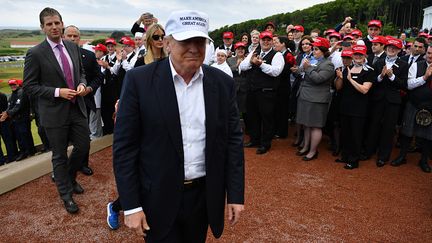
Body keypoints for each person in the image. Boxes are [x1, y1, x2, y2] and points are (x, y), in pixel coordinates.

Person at [113, 10, 244, 242]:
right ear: (167, 43)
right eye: (185, 40)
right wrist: (132, 205)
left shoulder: (222, 83)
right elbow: (125, 148)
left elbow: (233, 140)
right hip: (157, 196)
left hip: (203, 198)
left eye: (200, 41)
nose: (194, 48)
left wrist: (235, 194)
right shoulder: (139, 81)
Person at [23, 7, 90, 214]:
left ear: (62, 23)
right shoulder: (35, 53)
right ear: (42, 27)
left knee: (83, 146)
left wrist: (81, 84)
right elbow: (29, 86)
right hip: (54, 112)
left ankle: (69, 179)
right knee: (59, 156)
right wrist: (57, 92)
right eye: (49, 24)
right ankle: (66, 194)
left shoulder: (72, 46)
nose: (54, 27)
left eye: (57, 23)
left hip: (76, 108)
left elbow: (81, 73)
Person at [63, 25, 103, 176]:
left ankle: (83, 164)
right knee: (63, 138)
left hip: (83, 102)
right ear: (63, 37)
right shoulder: (57, 57)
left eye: (75, 36)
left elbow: (99, 77)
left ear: (80, 38)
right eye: (69, 36)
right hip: (62, 103)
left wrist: (89, 89)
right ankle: (62, 168)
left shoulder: (89, 55)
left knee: (84, 137)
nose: (73, 39)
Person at [362, 38, 409, 167]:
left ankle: (383, 156)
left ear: (399, 50)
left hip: (393, 101)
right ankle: (368, 151)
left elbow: (404, 85)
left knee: (388, 129)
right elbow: (373, 82)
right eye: (389, 47)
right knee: (373, 126)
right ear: (386, 48)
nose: (391, 49)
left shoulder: (404, 64)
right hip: (377, 99)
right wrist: (381, 76)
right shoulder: (379, 62)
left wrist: (392, 76)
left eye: (394, 48)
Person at [240, 31, 284, 154]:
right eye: (263, 39)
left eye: (268, 40)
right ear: (259, 41)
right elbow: (242, 67)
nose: (265, 42)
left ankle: (265, 143)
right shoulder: (254, 53)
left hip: (267, 92)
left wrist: (260, 65)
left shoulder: (277, 55)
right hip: (253, 91)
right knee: (253, 117)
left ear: (272, 42)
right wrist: (251, 61)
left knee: (267, 119)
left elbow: (276, 71)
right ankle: (255, 140)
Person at [390, 45, 432, 173]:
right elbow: (409, 85)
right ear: (426, 53)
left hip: (431, 107)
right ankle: (402, 156)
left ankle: (424, 160)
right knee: (407, 132)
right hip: (414, 103)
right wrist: (424, 77)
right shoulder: (416, 65)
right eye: (429, 53)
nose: (430, 56)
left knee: (428, 136)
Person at [334, 45, 374, 169]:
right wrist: (340, 78)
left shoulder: (369, 71)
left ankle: (354, 159)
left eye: (360, 55)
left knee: (356, 134)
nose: (357, 57)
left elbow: (364, 90)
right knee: (345, 133)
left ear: (364, 56)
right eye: (356, 54)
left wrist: (350, 79)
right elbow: (338, 87)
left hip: (359, 109)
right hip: (345, 106)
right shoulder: (346, 68)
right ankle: (345, 156)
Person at [295, 37, 335, 161]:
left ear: (323, 50)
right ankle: (306, 147)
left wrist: (308, 68)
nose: (314, 51)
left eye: (316, 49)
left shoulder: (328, 64)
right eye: (314, 48)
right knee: (306, 124)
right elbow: (303, 73)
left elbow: (318, 79)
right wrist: (299, 69)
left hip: (317, 99)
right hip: (305, 95)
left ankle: (313, 151)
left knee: (315, 126)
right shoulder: (314, 60)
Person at [1, 79, 33, 161]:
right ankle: (27, 151)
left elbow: (18, 106)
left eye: (14, 84)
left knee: (24, 135)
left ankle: (28, 151)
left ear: (18, 84)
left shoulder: (21, 92)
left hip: (22, 118)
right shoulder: (13, 95)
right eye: (11, 85)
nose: (12, 86)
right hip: (16, 119)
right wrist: (6, 112)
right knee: (20, 136)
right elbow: (10, 106)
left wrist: (7, 113)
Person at [273, 36, 295, 138]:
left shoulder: (288, 55)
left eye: (277, 42)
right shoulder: (278, 54)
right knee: (277, 109)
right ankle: (277, 130)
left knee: (282, 110)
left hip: (283, 87)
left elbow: (286, 71)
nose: (275, 44)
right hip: (277, 86)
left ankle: (282, 132)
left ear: (283, 44)